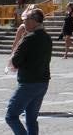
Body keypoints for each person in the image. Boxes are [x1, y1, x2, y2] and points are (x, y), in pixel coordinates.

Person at [6, 7, 52, 135]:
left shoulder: (29, 38)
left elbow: (16, 61)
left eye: (26, 20)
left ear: (34, 21)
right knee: (31, 119)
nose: (24, 23)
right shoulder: (47, 37)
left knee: (11, 116)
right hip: (43, 82)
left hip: (28, 82)